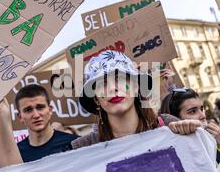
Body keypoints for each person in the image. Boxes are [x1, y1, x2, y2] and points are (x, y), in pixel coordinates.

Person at [70, 51, 208, 156]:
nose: (113, 88)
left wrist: (193, 135)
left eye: (120, 79)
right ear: (95, 98)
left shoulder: (168, 126)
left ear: (136, 86)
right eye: (102, 84)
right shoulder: (83, 148)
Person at [0, 84, 79, 168]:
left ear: (50, 110)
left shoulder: (75, 144)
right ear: (20, 116)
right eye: (28, 110)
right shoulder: (15, 153)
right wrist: (0, 114)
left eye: (40, 107)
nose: (36, 115)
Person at [160, 88, 220, 163]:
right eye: (193, 111)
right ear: (175, 119)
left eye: (201, 109)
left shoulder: (208, 141)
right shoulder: (174, 156)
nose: (203, 115)